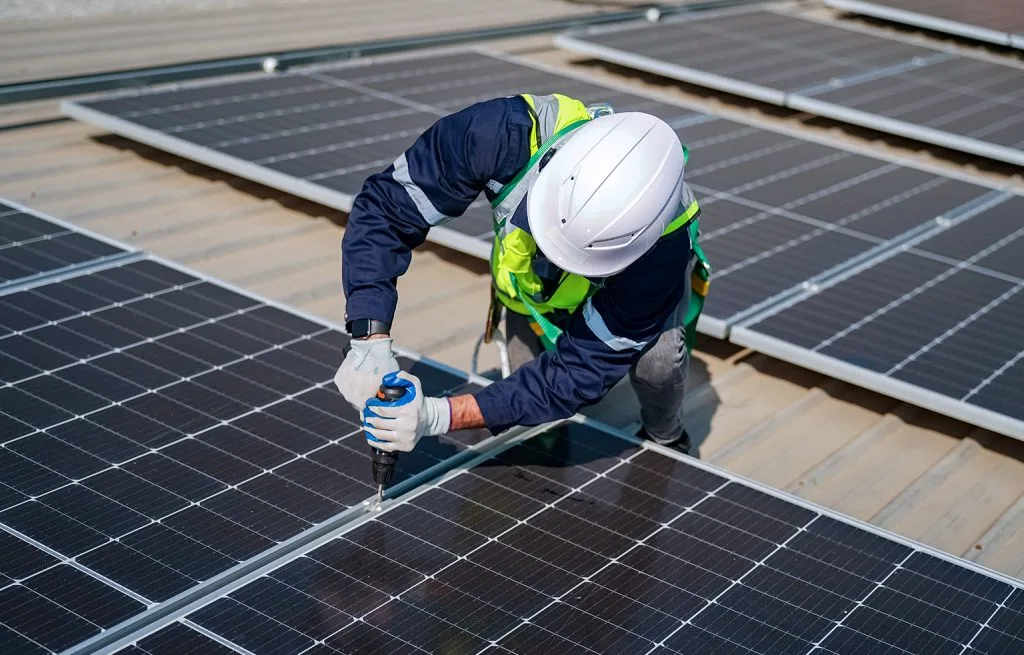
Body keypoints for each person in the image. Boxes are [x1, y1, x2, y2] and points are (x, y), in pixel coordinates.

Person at [334, 92, 710, 456]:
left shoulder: (662, 252)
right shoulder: (502, 133)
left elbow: (579, 372)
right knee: (526, 402)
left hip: (634, 293)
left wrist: (440, 415)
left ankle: (667, 438)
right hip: (530, 292)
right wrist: (369, 337)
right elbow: (387, 211)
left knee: (656, 364)